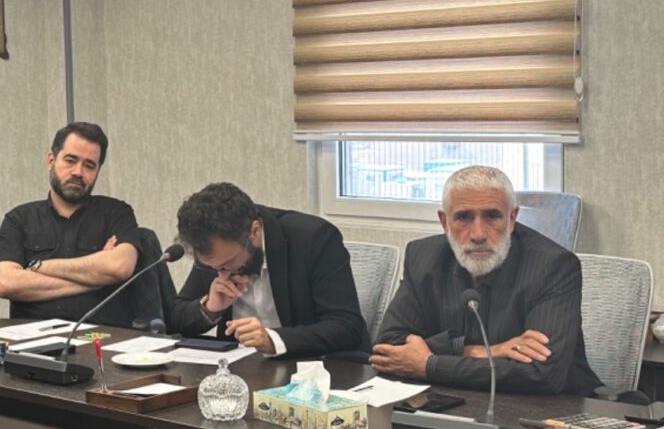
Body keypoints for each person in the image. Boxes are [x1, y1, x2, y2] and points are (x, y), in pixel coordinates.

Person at [371, 166, 602, 395]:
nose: (479, 234)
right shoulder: (423, 257)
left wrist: (430, 365)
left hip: (548, 408)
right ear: (444, 221)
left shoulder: (552, 266)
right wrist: (483, 351)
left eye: (492, 216)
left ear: (512, 218)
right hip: (451, 402)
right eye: (463, 217)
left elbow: (541, 374)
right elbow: (388, 348)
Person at [172, 182, 367, 358]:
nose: (221, 274)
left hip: (310, 367)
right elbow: (176, 318)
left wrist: (273, 340)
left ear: (255, 232)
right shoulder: (214, 250)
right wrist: (209, 308)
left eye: (227, 264)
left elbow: (346, 327)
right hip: (239, 368)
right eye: (213, 268)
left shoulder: (314, 238)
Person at [0, 122, 140, 327]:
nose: (78, 172)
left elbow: (120, 267)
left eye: (89, 165)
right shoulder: (19, 219)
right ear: (51, 160)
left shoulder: (117, 213)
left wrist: (40, 266)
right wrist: (97, 279)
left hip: (104, 337)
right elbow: (5, 283)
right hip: (33, 339)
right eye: (70, 160)